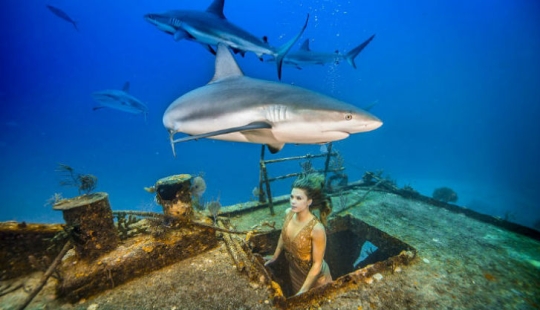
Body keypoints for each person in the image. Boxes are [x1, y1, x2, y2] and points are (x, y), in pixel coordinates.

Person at [265, 174, 333, 296]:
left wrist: (303, 291)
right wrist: (275, 257)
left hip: (316, 280)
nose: (293, 201)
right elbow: (283, 235)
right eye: (291, 197)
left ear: (309, 201)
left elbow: (317, 264)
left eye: (298, 198)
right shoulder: (288, 213)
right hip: (295, 273)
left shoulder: (317, 229)